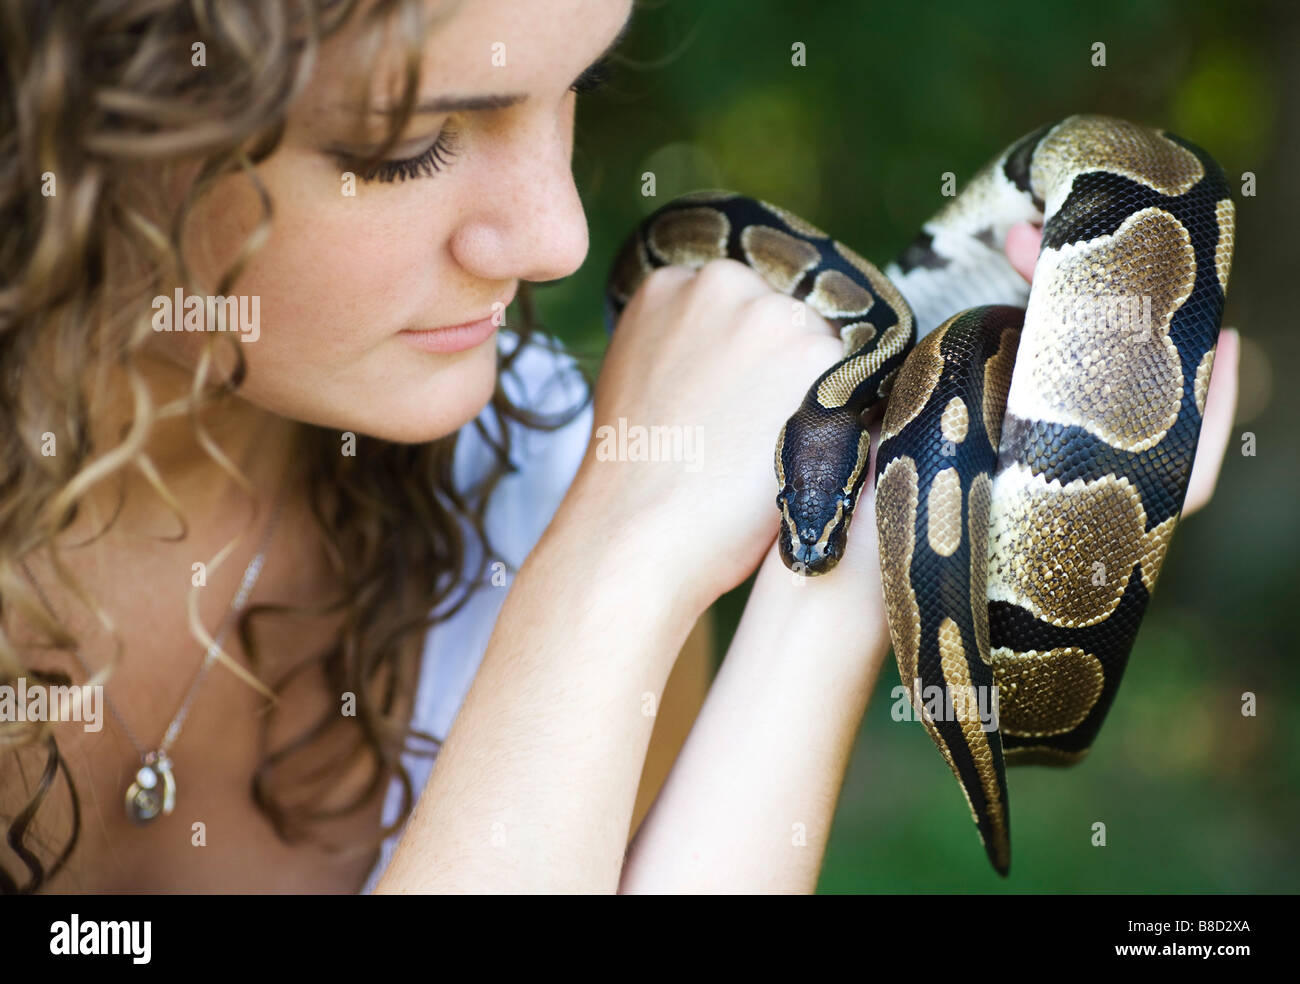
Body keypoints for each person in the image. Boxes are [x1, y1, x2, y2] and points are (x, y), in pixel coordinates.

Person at [0, 0, 1238, 894]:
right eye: (407, 144)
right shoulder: (591, 489)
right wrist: (610, 552)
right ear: (72, 135)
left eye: (573, 92)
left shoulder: (559, 466)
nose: (556, 236)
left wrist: (856, 558)